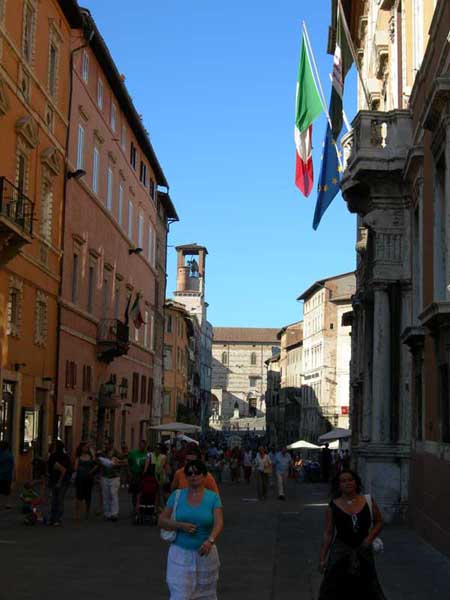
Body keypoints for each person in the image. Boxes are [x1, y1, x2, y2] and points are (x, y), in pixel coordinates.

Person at [158, 459, 223, 599]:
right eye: (189, 473)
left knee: (205, 595)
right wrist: (181, 526)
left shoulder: (213, 498)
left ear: (204, 475)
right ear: (186, 477)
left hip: (206, 555)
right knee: (180, 595)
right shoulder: (176, 496)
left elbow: (219, 523)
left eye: (197, 472)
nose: (193, 475)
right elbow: (161, 521)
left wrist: (210, 540)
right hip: (180, 555)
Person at [318, 470, 387, 600]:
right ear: (339, 485)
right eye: (343, 481)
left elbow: (379, 522)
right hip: (340, 553)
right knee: (336, 589)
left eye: (350, 479)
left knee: (367, 588)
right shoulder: (333, 506)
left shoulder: (368, 501)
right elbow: (328, 533)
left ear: (356, 482)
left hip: (363, 552)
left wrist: (369, 539)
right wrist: (322, 558)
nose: (347, 483)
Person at [99, 439, 125, 522]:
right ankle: (107, 513)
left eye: (107, 444)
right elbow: (98, 462)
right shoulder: (102, 453)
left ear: (111, 444)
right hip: (104, 476)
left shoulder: (117, 453)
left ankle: (114, 514)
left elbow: (125, 462)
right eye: (105, 444)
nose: (106, 446)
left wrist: (117, 463)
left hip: (114, 476)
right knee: (105, 495)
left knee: (113, 495)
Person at [47, 440, 72, 526]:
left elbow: (63, 470)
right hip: (62, 480)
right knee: (58, 499)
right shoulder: (65, 456)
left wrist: (59, 482)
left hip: (58, 480)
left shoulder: (55, 456)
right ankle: (56, 519)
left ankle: (54, 518)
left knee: (56, 499)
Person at [74, 441, 97, 521]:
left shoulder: (90, 456)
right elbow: (75, 468)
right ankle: (77, 514)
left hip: (88, 478)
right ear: (81, 448)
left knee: (88, 496)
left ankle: (87, 512)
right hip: (80, 478)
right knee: (79, 496)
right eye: (85, 447)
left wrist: (91, 471)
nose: (86, 448)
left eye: (87, 447)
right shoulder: (78, 457)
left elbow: (95, 465)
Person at [128, 440, 149, 511]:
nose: (142, 447)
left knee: (142, 492)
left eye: (144, 445)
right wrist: (129, 473)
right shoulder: (133, 453)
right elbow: (129, 463)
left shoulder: (147, 454)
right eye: (141, 445)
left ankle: (141, 506)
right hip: (135, 475)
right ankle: (135, 507)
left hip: (143, 476)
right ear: (139, 445)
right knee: (134, 492)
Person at [0, 441, 14, 510]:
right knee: (7, 491)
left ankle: (2, 504)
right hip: (7, 476)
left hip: (1, 475)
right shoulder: (10, 455)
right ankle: (7, 504)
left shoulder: (1, 454)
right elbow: (12, 466)